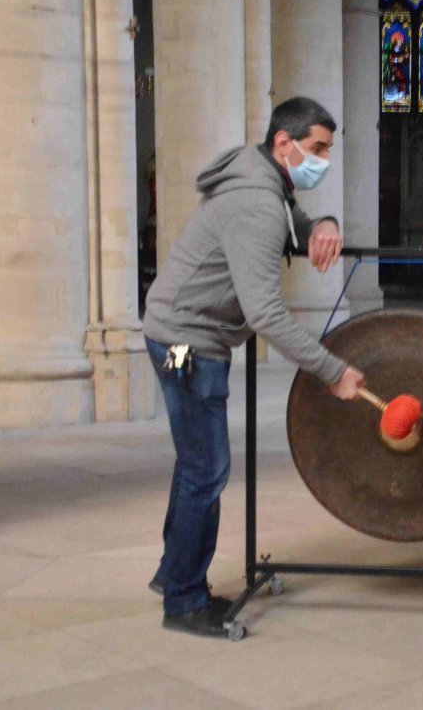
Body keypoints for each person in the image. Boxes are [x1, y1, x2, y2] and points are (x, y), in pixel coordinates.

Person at [142, 96, 364, 637]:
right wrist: (332, 369)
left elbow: (296, 219)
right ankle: (185, 601)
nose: (324, 161)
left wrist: (325, 222)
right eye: (317, 148)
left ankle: (174, 574)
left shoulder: (265, 182)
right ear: (283, 144)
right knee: (206, 468)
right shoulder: (257, 205)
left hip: (180, 334)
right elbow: (266, 314)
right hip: (187, 344)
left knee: (195, 462)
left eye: (328, 151)